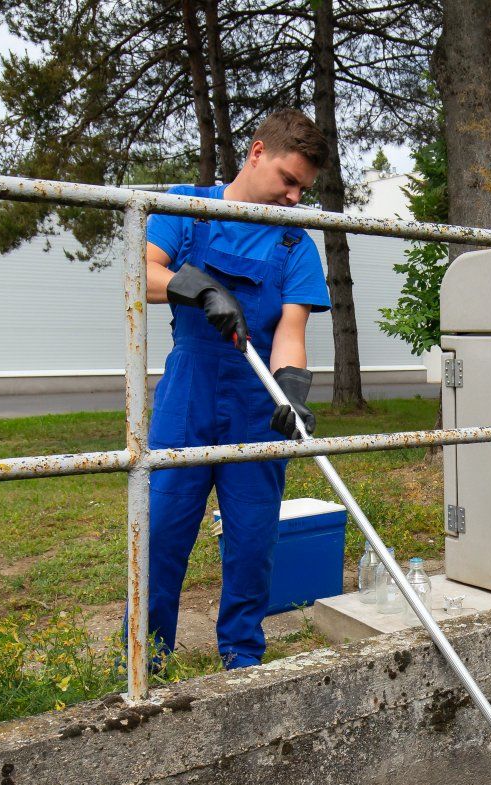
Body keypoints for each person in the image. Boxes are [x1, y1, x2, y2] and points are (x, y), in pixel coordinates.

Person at [143, 109, 332, 669]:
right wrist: (197, 286)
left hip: (256, 401)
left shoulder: (296, 245)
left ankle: (243, 662)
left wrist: (291, 394)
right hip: (188, 397)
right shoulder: (187, 208)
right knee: (161, 536)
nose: (296, 197)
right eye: (288, 181)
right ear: (256, 153)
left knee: (252, 543)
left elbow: (290, 332)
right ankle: (145, 660)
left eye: (304, 188)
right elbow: (141, 271)